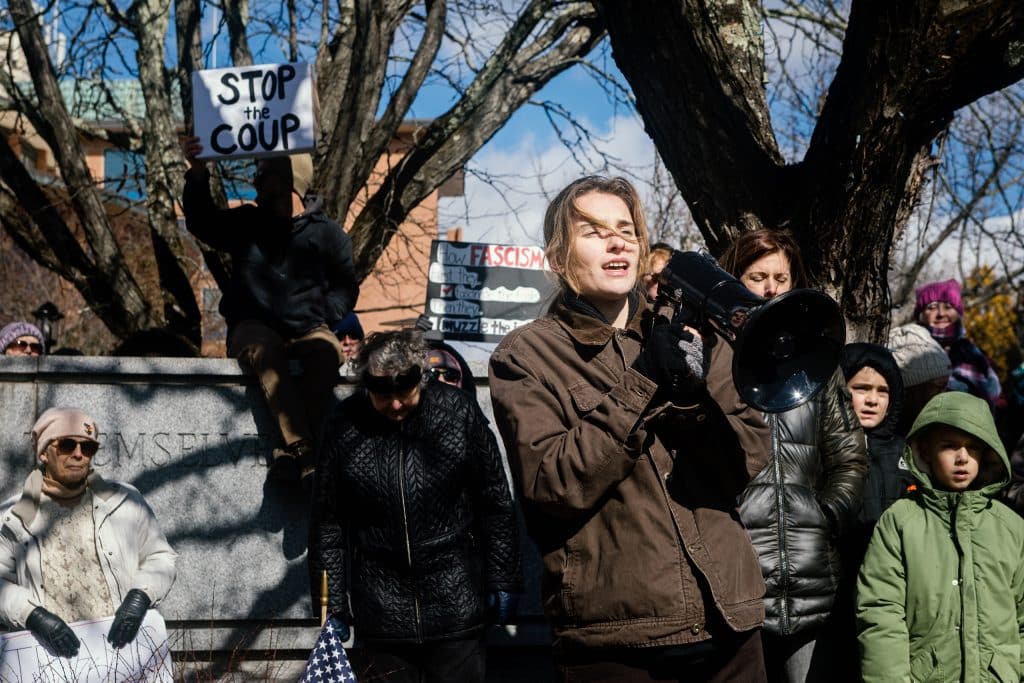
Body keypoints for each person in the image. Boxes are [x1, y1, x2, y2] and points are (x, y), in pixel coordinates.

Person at [489, 176, 771, 682]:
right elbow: (552, 485)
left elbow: (747, 458)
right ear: (558, 258)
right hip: (616, 637)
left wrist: (690, 401)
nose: (617, 241)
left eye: (626, 229)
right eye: (594, 231)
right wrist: (642, 381)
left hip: (729, 619)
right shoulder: (526, 355)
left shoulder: (697, 333)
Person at [308, 330, 521, 683]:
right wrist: (330, 603)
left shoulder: (457, 412)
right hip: (380, 609)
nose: (394, 405)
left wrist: (504, 577)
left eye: (403, 393)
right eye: (383, 395)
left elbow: (495, 501)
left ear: (420, 379)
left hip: (456, 602)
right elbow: (327, 521)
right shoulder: (344, 424)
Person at [719, 228, 867, 683]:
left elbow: (850, 457)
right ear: (732, 279)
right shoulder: (712, 360)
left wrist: (824, 515)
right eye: (757, 275)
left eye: (780, 278)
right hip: (736, 583)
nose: (770, 289)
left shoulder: (818, 365)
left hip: (810, 579)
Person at [181, 137, 359, 483]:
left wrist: (326, 312)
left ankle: (286, 451)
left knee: (326, 352)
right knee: (265, 352)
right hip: (253, 326)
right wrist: (199, 173)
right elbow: (201, 222)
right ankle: (306, 450)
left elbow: (346, 286)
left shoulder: (329, 236)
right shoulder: (247, 222)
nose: (257, 184)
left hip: (308, 327)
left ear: (291, 183)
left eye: (265, 177)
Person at [856, 391, 1024, 682]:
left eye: (973, 448)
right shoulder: (900, 522)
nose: (962, 458)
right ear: (924, 452)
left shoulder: (1011, 527)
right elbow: (881, 613)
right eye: (949, 446)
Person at [0, 407, 177, 657]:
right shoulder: (14, 517)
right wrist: (32, 615)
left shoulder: (125, 502)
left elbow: (161, 557)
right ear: (43, 453)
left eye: (88, 448)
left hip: (121, 657)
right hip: (47, 661)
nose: (79, 454)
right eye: (67, 445)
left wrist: (141, 595)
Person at [914, 278, 1002, 408]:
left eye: (948, 307)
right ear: (921, 315)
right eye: (931, 307)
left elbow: (993, 390)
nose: (941, 314)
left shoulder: (970, 352)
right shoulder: (911, 348)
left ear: (958, 313)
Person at [887, 323, 952, 437]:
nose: (946, 393)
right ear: (911, 389)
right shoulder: (890, 440)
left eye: (946, 384)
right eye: (940, 386)